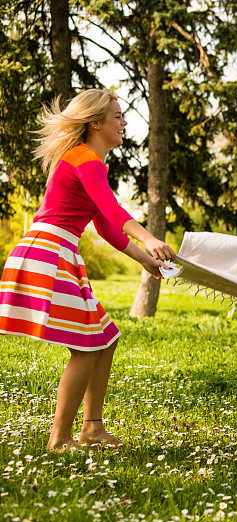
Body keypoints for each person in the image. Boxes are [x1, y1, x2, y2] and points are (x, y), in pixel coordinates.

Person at [0, 89, 176, 451]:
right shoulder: (85, 159)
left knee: (105, 338)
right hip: (48, 252)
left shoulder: (88, 161)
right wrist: (149, 239)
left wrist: (146, 260)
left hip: (57, 251)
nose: (125, 123)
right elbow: (112, 209)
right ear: (96, 122)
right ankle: (60, 440)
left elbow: (105, 224)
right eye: (118, 116)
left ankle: (92, 428)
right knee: (86, 344)